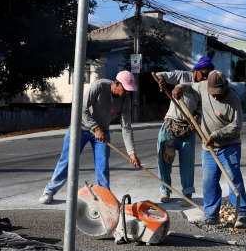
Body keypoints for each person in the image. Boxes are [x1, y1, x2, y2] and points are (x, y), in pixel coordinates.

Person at [39, 71, 140, 204]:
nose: (127, 93)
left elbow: (126, 128)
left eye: (129, 90)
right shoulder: (99, 87)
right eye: (126, 89)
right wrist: (96, 128)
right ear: (116, 83)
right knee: (68, 160)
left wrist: (132, 154)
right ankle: (49, 191)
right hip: (80, 128)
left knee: (102, 165)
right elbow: (81, 109)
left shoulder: (125, 101)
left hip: (102, 132)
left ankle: (104, 198)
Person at [173, 70, 246, 228]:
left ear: (226, 86)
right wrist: (179, 87)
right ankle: (211, 215)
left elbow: (236, 126)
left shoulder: (233, 100)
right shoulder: (203, 86)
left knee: (233, 179)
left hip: (229, 145)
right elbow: (189, 86)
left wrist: (216, 135)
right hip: (208, 147)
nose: (215, 96)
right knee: (209, 182)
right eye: (213, 93)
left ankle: (242, 213)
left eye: (219, 93)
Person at [154, 56, 215, 203]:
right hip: (170, 126)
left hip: (188, 128)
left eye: (208, 76)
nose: (205, 78)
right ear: (196, 70)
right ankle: (165, 191)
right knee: (165, 159)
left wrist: (196, 116)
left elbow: (201, 106)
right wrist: (161, 80)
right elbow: (160, 75)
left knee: (187, 163)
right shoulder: (182, 75)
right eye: (204, 74)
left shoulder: (204, 87)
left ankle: (187, 194)